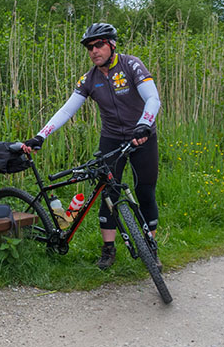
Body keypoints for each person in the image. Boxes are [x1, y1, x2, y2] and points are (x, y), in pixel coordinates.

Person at [22, 22, 162, 270]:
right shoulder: (90, 79)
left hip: (141, 137)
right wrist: (41, 136)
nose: (94, 51)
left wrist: (144, 125)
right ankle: (108, 249)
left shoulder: (131, 65)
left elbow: (152, 98)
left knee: (145, 191)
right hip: (112, 139)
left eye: (99, 45)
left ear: (112, 45)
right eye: (89, 47)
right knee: (108, 193)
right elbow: (67, 110)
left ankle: (151, 248)